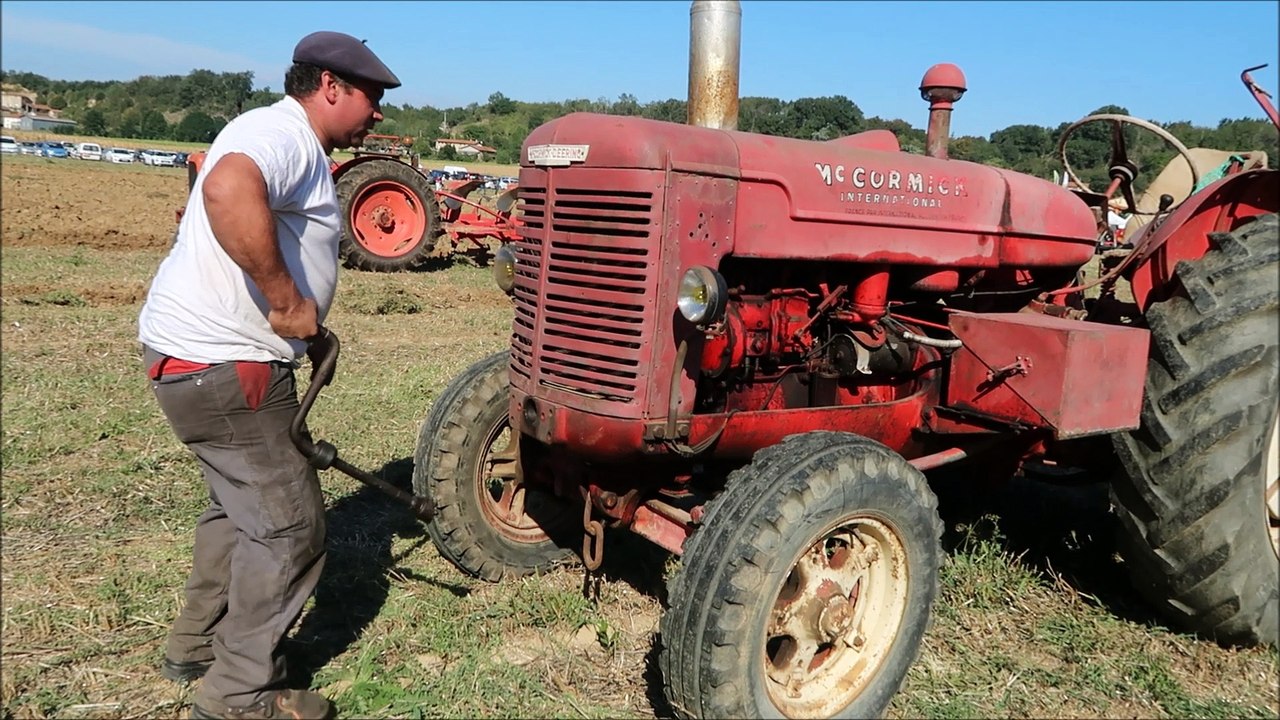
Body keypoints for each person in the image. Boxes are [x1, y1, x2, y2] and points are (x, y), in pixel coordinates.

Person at [137, 31, 401, 720]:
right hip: (227, 367)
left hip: (197, 361)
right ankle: (240, 694)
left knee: (238, 509)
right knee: (287, 529)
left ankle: (198, 646)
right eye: (372, 96)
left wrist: (302, 329)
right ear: (330, 87)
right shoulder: (285, 136)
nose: (378, 112)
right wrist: (286, 302)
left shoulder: (273, 132)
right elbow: (227, 190)